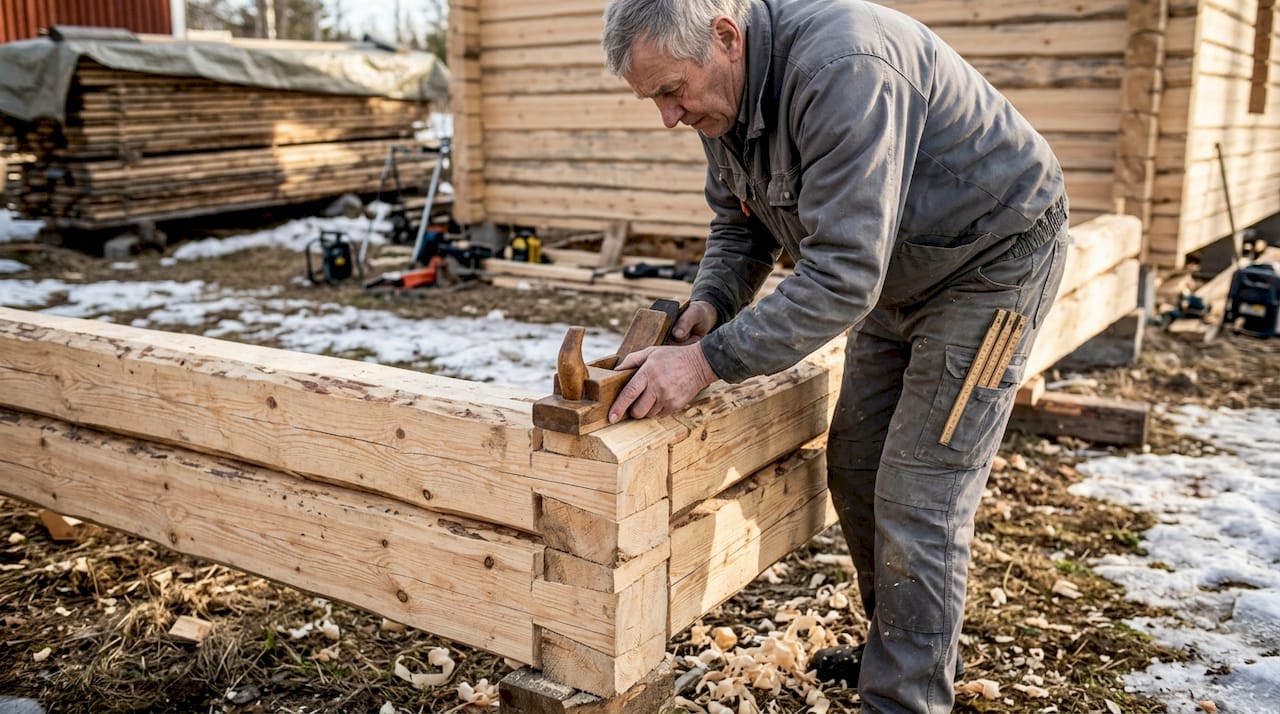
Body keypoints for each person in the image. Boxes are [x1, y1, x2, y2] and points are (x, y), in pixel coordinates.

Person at [601, 0, 1069, 711]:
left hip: (991, 266)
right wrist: (712, 305)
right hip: (896, 273)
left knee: (921, 491)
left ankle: (906, 696)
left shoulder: (843, 68)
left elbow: (844, 274)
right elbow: (740, 221)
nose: (669, 116)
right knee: (855, 464)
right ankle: (905, 642)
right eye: (655, 99)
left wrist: (704, 363)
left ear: (726, 37)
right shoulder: (720, 100)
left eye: (671, 91)